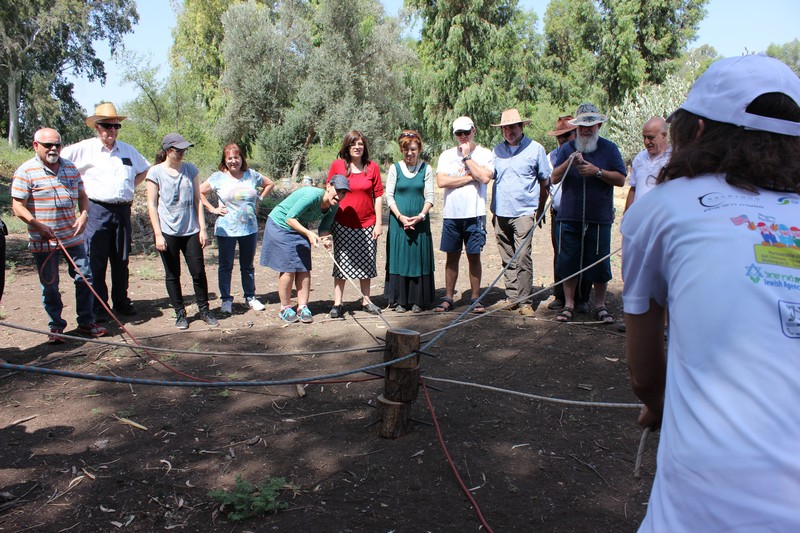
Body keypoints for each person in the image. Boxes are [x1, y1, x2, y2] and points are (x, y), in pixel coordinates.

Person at [622, 54, 800, 532]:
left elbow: (643, 374)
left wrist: (662, 410)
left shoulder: (662, 210)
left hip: (705, 508)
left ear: (696, 131)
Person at [11, 128, 107, 343]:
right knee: (50, 285)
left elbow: (83, 195)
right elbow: (17, 206)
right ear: (36, 146)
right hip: (44, 241)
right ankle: (56, 326)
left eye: (57, 144)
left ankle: (86, 322)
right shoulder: (26, 171)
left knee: (86, 278)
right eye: (48, 145)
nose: (53, 148)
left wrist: (83, 215)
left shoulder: (70, 167)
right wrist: (36, 225)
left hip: (72, 237)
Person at [61, 103, 150, 321]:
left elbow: (145, 169)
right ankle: (99, 307)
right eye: (106, 126)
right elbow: (61, 163)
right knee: (95, 259)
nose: (111, 130)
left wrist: (130, 184)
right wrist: (75, 191)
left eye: (115, 126)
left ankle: (121, 301)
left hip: (122, 210)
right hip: (96, 209)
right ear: (97, 127)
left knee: (121, 259)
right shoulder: (83, 149)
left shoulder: (128, 150)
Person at [551, 103, 626, 323]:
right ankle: (569, 304)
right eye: (582, 125)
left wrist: (598, 172)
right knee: (568, 262)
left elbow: (621, 179)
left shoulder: (609, 148)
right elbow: (554, 178)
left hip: (599, 217)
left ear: (599, 125)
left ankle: (601, 306)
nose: (586, 129)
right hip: (569, 217)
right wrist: (569, 162)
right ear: (576, 127)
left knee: (600, 263)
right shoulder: (567, 149)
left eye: (590, 125)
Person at [145, 133, 219, 330]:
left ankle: (204, 310)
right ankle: (180, 313)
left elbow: (197, 200)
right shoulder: (155, 172)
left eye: (185, 149)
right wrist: (158, 234)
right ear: (169, 151)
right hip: (168, 230)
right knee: (172, 274)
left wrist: (203, 229)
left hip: (191, 229)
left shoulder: (190, 170)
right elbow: (152, 205)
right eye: (180, 150)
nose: (183, 153)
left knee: (198, 272)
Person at [260, 176, 350, 323]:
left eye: (343, 193)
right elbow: (290, 218)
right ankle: (285, 308)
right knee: (288, 267)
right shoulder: (312, 195)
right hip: (280, 224)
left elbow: (325, 228)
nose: (340, 195)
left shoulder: (334, 205)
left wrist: (326, 239)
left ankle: (302, 307)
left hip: (298, 226)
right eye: (338, 190)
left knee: (304, 267)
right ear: (329, 186)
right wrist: (308, 233)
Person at [489, 109, 551, 316]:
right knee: (507, 255)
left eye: (512, 127)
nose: (508, 131)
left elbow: (545, 181)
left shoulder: (536, 149)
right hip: (500, 213)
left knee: (523, 255)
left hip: (524, 212)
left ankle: (525, 300)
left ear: (521, 127)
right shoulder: (497, 151)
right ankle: (512, 297)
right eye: (505, 128)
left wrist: (540, 208)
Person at [200, 143, 275, 314]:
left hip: (249, 229)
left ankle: (250, 297)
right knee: (225, 266)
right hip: (226, 229)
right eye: (230, 158)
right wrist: (212, 209)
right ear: (224, 160)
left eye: (236, 157)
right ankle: (226, 300)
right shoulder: (218, 177)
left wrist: (259, 199)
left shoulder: (251, 175)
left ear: (242, 158)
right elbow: (199, 192)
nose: (234, 161)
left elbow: (270, 184)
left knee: (247, 265)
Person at [434, 116, 494, 313]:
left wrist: (468, 158)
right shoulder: (446, 155)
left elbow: (484, 177)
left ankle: (475, 297)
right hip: (452, 214)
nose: (462, 137)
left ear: (473, 131)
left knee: (473, 256)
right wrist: (471, 177)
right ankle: (449, 297)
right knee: (451, 257)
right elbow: (442, 182)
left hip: (474, 213)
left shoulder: (484, 154)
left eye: (466, 132)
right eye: (458, 133)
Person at [326, 131, 384, 318]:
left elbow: (378, 195)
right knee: (341, 263)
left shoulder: (372, 167)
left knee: (366, 262)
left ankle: (366, 300)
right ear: (347, 147)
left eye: (360, 143)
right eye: (353, 144)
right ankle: (337, 303)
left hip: (367, 223)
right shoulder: (337, 165)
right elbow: (329, 190)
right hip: (342, 222)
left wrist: (378, 223)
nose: (357, 147)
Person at [383, 130, 435, 313]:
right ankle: (399, 300)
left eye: (413, 149)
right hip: (399, 224)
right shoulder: (394, 168)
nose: (409, 153)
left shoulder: (426, 169)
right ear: (401, 150)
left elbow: (429, 196)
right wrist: (400, 217)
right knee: (400, 259)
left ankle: (418, 300)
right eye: (405, 150)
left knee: (417, 259)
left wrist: (420, 216)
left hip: (420, 223)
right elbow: (389, 196)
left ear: (419, 148)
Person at [546, 115, 592, 313]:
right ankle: (560, 295)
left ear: (576, 133)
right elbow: (551, 180)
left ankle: (582, 297)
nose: (563, 140)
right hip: (558, 212)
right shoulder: (552, 157)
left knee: (585, 255)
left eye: (567, 135)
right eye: (559, 136)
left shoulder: (588, 152)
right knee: (561, 256)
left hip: (584, 214)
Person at [624, 116, 671, 213]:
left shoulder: (674, 159)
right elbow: (633, 188)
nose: (646, 142)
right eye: (644, 137)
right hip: (639, 218)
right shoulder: (640, 158)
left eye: (650, 137)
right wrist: (627, 215)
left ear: (664, 136)